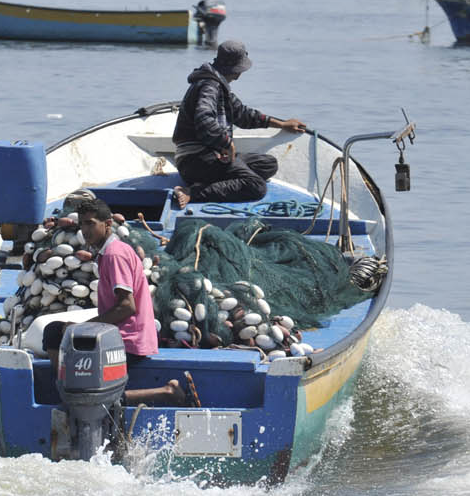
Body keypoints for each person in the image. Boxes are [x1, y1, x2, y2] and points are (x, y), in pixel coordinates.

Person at [43, 200, 189, 407]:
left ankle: (166, 393)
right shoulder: (110, 252)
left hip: (127, 341)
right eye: (82, 224)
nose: (85, 230)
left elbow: (127, 306)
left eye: (91, 224)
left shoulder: (114, 255)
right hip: (120, 335)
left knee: (55, 335)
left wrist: (84, 328)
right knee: (55, 331)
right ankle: (68, 388)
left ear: (108, 224)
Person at [170, 40, 308, 207]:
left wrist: (282, 124)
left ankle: (212, 181)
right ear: (235, 68)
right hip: (196, 160)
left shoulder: (219, 85)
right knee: (256, 186)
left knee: (268, 164)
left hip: (210, 158)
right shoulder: (210, 86)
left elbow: (243, 114)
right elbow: (204, 119)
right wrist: (226, 143)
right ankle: (193, 192)